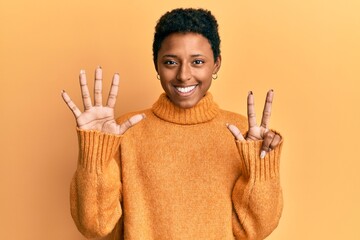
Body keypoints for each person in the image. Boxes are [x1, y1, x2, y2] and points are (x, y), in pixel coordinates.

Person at [62, 8, 283, 240]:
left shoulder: (241, 134)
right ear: (156, 64)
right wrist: (95, 152)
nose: (183, 75)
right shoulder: (123, 131)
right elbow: (95, 227)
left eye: (197, 61)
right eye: (170, 62)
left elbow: (254, 230)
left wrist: (261, 169)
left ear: (216, 64)